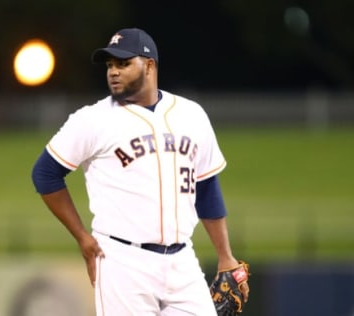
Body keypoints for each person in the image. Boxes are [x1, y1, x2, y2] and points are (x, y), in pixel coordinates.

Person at [32, 27, 249, 316]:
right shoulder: (93, 119)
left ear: (149, 65)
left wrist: (225, 256)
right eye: (110, 65)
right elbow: (45, 173)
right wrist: (83, 238)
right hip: (122, 261)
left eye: (123, 63)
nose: (114, 72)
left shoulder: (191, 114)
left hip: (182, 260)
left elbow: (207, 187)